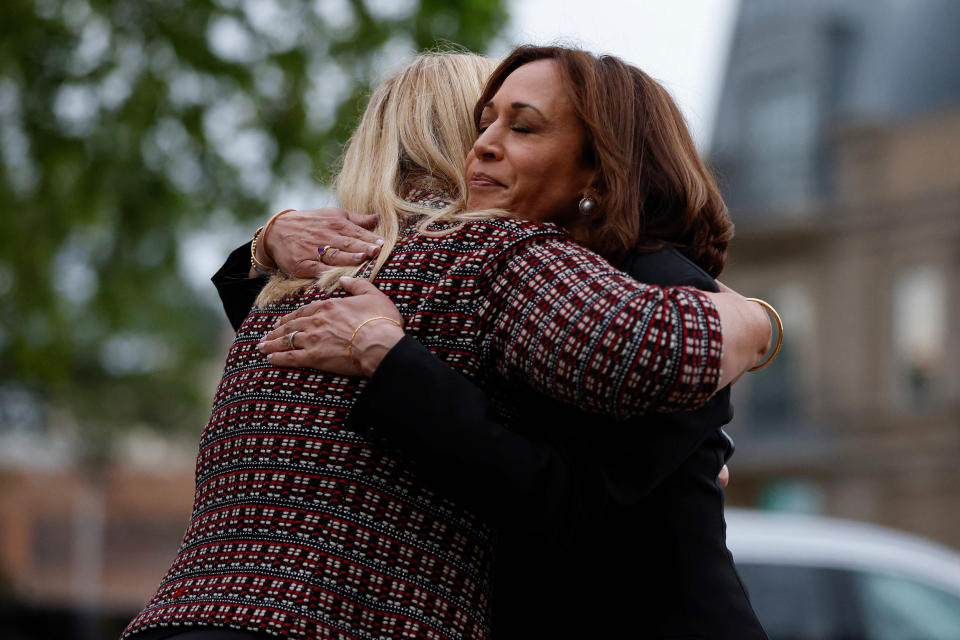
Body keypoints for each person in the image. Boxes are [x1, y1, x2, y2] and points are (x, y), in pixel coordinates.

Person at [124, 51, 770, 640]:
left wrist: (761, 323)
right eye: (483, 122)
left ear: (596, 165)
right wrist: (268, 242)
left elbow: (565, 499)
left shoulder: (632, 282)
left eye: (521, 127)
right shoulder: (396, 264)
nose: (485, 147)